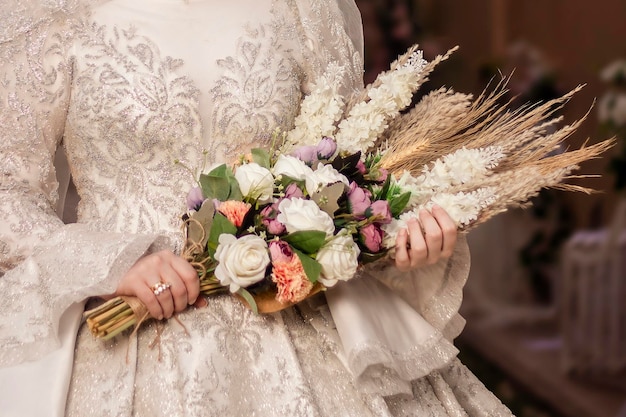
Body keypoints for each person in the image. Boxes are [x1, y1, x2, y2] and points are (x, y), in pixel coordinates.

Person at [0, 0, 513, 416]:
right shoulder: (49, 15)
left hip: (300, 316)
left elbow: (350, 169)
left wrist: (402, 232)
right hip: (126, 339)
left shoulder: (304, 10)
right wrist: (111, 262)